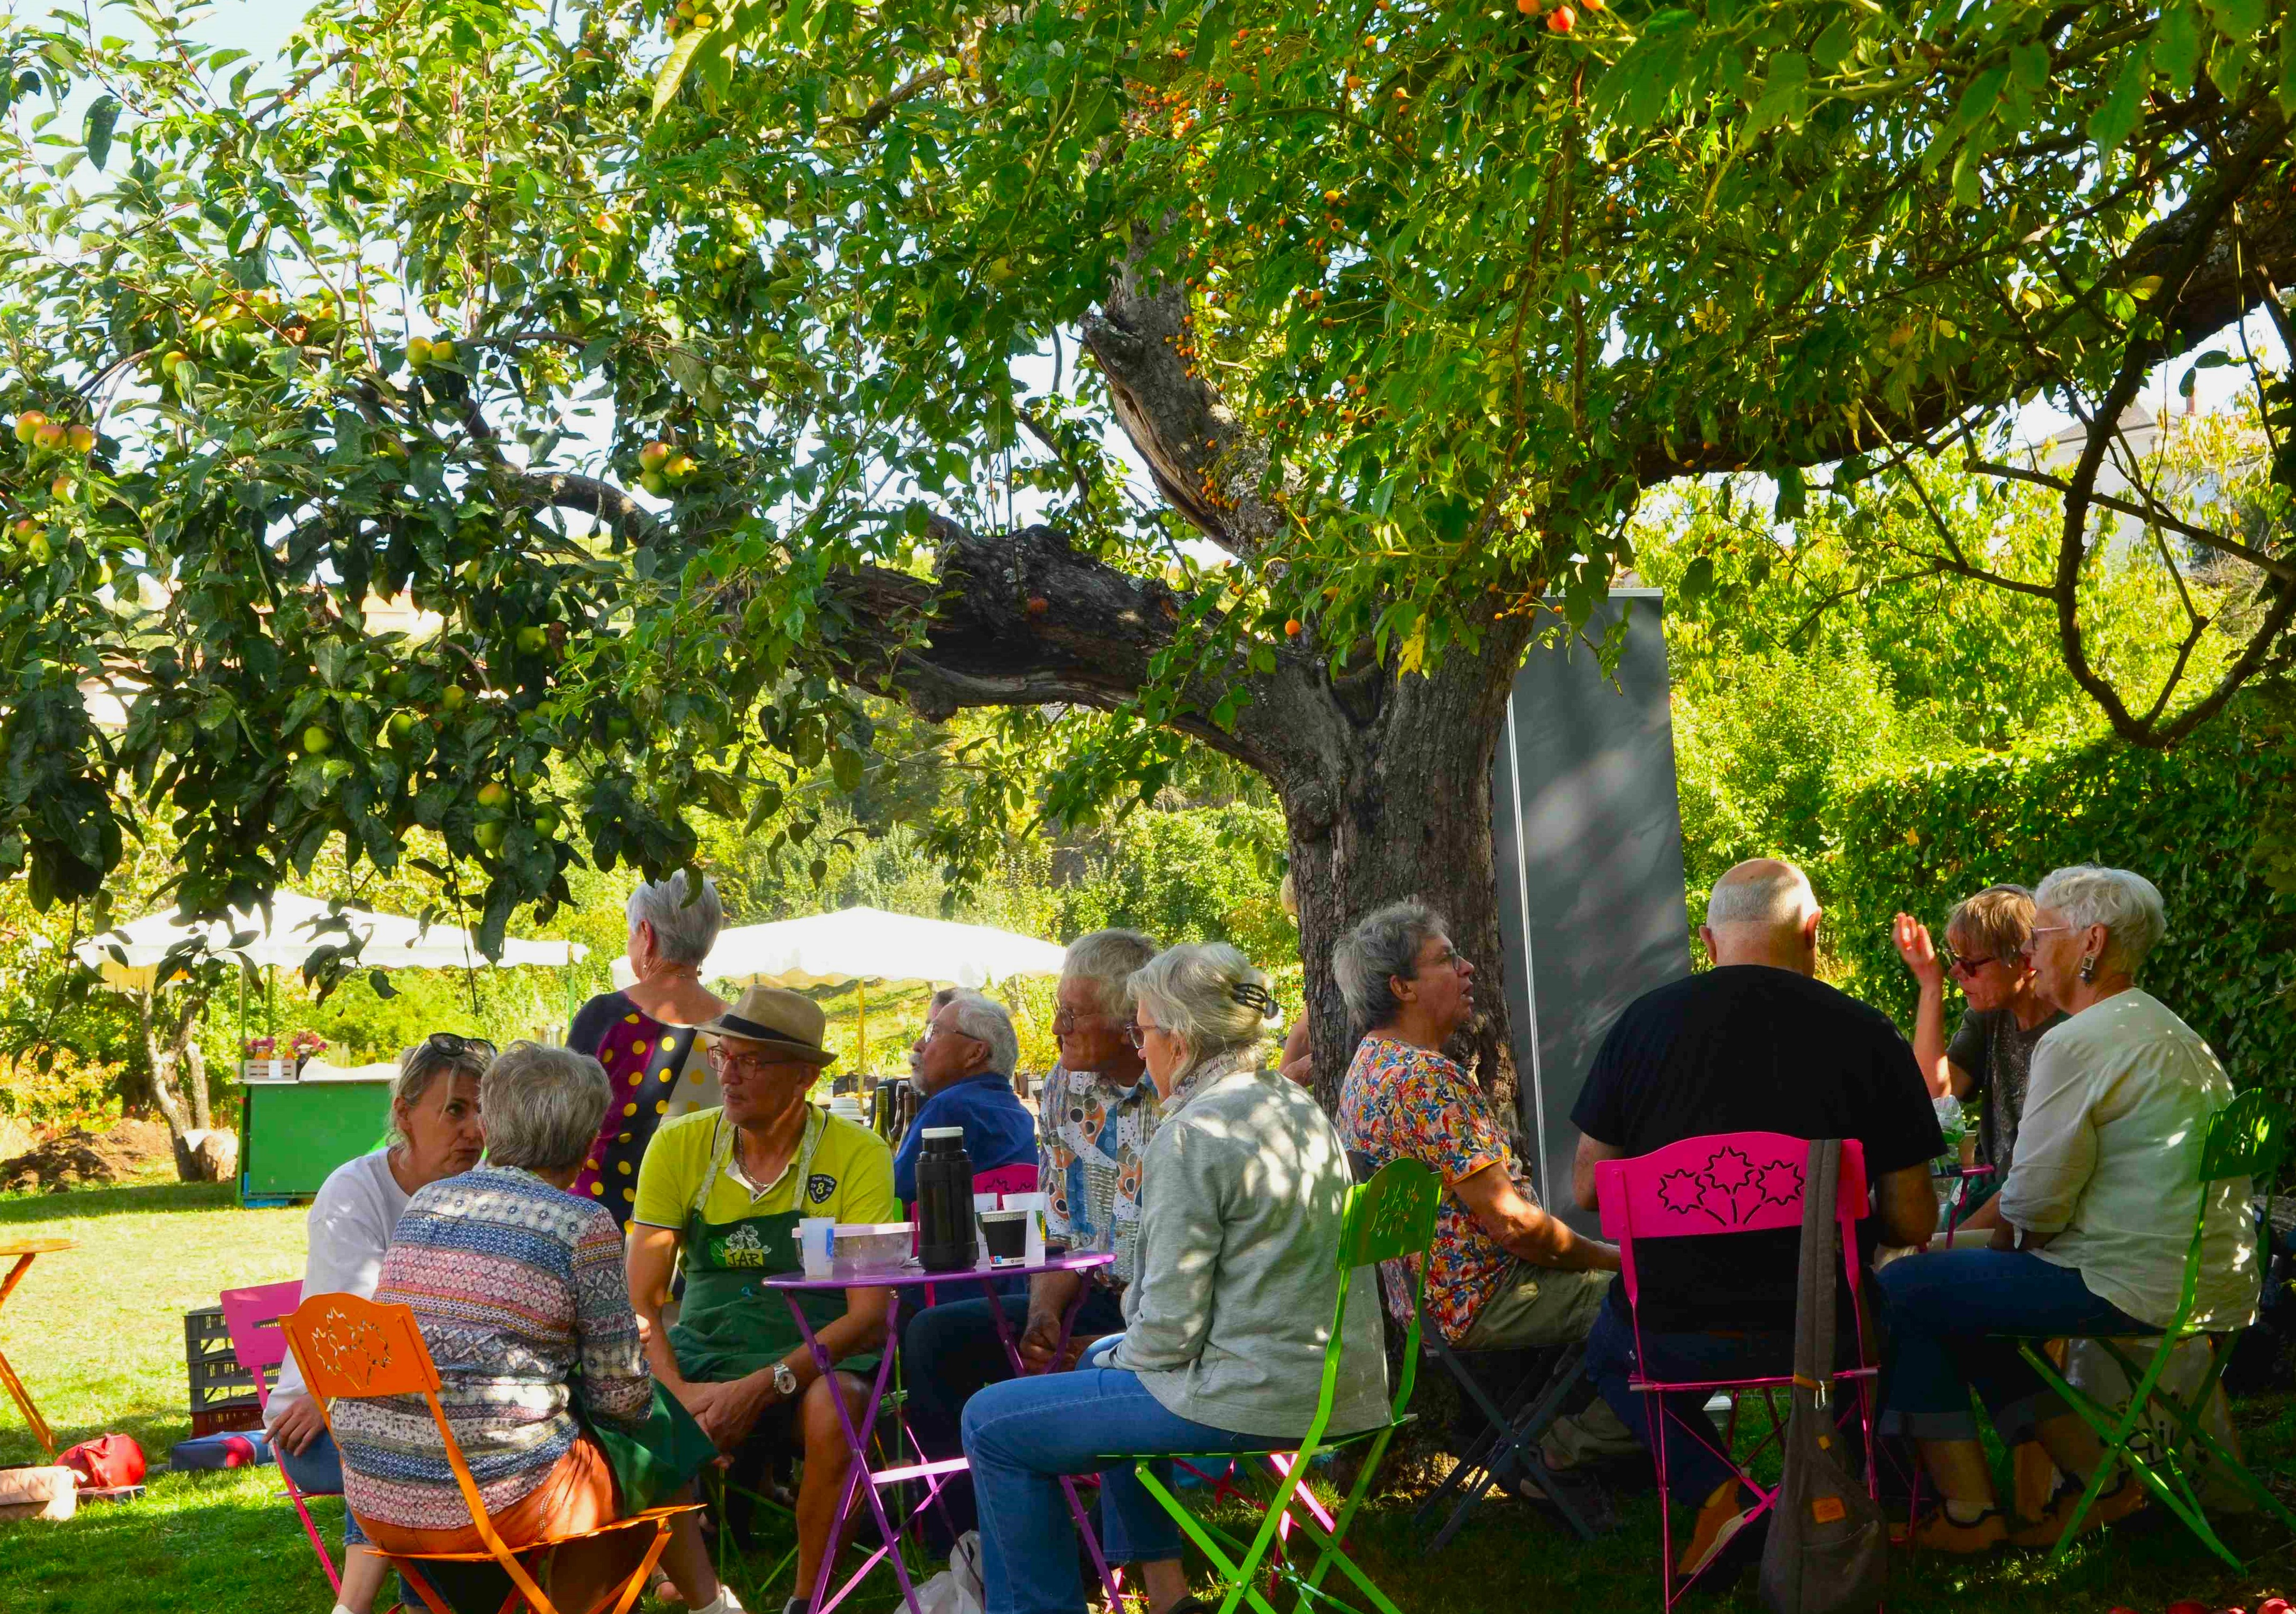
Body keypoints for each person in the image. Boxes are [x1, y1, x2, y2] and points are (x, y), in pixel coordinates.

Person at [961, 943, 1387, 1614]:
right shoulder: (1293, 1105)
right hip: (1341, 1385)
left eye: (1142, 1031)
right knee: (1107, 1361)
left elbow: (1164, 1337)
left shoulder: (1193, 1133)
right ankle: (1167, 1600)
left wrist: (1114, 1350)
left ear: (1181, 1040)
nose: (1140, 1045)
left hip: (1251, 1394)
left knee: (991, 1421)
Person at [1570, 858, 1942, 1583]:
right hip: (1828, 1334)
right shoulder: (1867, 1033)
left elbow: (1589, 1186)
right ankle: (1838, 1488)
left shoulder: (1640, 1026)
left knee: (1608, 1347)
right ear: (1812, 931)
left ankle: (1719, 1489)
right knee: (1894, 1314)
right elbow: (1912, 1216)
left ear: (1708, 940)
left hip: (1668, 1337)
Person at [1877, 865, 2257, 1553]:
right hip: (2202, 1281)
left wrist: (1950, 1251)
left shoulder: (2079, 1040)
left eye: (2040, 936)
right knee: (1953, 1297)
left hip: (2129, 1282)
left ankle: (1971, 1511)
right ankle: (2097, 1481)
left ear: (2091, 942)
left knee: (1902, 1287)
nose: (2029, 954)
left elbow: (2034, 1204)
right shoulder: (2168, 1030)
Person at [332, 1043, 739, 1614]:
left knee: (625, 1443)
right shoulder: (583, 1224)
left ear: (493, 1122)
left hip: (378, 1493)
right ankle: (705, 1604)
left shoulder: (427, 1204)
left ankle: (708, 1603)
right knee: (647, 1447)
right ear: (588, 1139)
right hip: (487, 1503)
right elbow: (621, 1397)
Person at [1332, 900, 1639, 1522]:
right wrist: (1617, 1258)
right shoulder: (1425, 1080)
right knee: (1667, 1304)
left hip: (1428, 1304)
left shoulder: (1368, 1066)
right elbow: (1515, 1226)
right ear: (1402, 986)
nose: (1469, 968)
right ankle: (1556, 1455)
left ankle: (1542, 1446)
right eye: (1447, 958)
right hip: (1485, 1297)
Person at [628, 985, 898, 1614]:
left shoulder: (858, 1155)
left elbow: (868, 1316)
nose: (727, 1073)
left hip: (817, 1354)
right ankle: (679, 1574)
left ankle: (807, 1596)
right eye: (723, 1055)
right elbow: (640, 1300)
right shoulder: (679, 1144)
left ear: (804, 1075)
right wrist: (682, 1390)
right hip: (705, 1349)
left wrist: (762, 1385)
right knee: (630, 1398)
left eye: (750, 1061)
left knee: (838, 1407)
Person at [897, 930, 1162, 1549]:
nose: (1054, 1029)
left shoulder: (1182, 1089)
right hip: (1091, 1291)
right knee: (934, 1336)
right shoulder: (1065, 1088)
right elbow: (1063, 1230)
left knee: (1104, 1363)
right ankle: (965, 1542)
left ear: (1131, 1023)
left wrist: (1108, 1339)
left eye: (1071, 1015)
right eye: (1056, 1011)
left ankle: (1092, 1552)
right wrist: (1046, 1312)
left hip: (1168, 1308)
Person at [265, 1034, 490, 1614]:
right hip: (319, 1420)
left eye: (485, 1109)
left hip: (449, 1413)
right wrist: (330, 1392)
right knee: (409, 1443)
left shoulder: (485, 1193)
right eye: (455, 1110)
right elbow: (354, 1340)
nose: (475, 1129)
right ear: (404, 1114)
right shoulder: (354, 1191)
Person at [1892, 884, 2065, 1232]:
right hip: (1992, 1193)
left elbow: (2040, 1181)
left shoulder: (2071, 1032)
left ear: (2025, 962)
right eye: (1955, 960)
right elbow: (1934, 1091)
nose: (1957, 972)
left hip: (2034, 1212)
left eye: (1971, 964)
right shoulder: (1989, 1017)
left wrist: (1949, 1244)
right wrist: (1930, 984)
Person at [568, 872, 730, 1226]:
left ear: (646, 934)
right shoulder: (736, 1030)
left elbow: (561, 1126)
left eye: (630, 936)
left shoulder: (607, 1017)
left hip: (601, 1224)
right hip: (700, 1231)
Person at [894, 990, 1036, 1205]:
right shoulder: (1021, 1115)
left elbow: (893, 1194)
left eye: (934, 1032)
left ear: (975, 1053)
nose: (918, 1045)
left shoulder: (948, 1108)